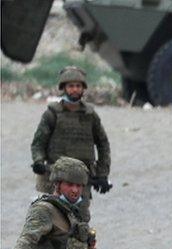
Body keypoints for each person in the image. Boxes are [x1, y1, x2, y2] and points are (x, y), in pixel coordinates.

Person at [30, 66, 111, 222]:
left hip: (82, 177)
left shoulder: (90, 115)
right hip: (55, 175)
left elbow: (103, 144)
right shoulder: (52, 114)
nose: (74, 90)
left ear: (83, 89)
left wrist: (102, 174)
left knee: (80, 220)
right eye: (71, 86)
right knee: (51, 218)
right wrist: (38, 161)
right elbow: (38, 142)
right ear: (64, 88)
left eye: (78, 86)